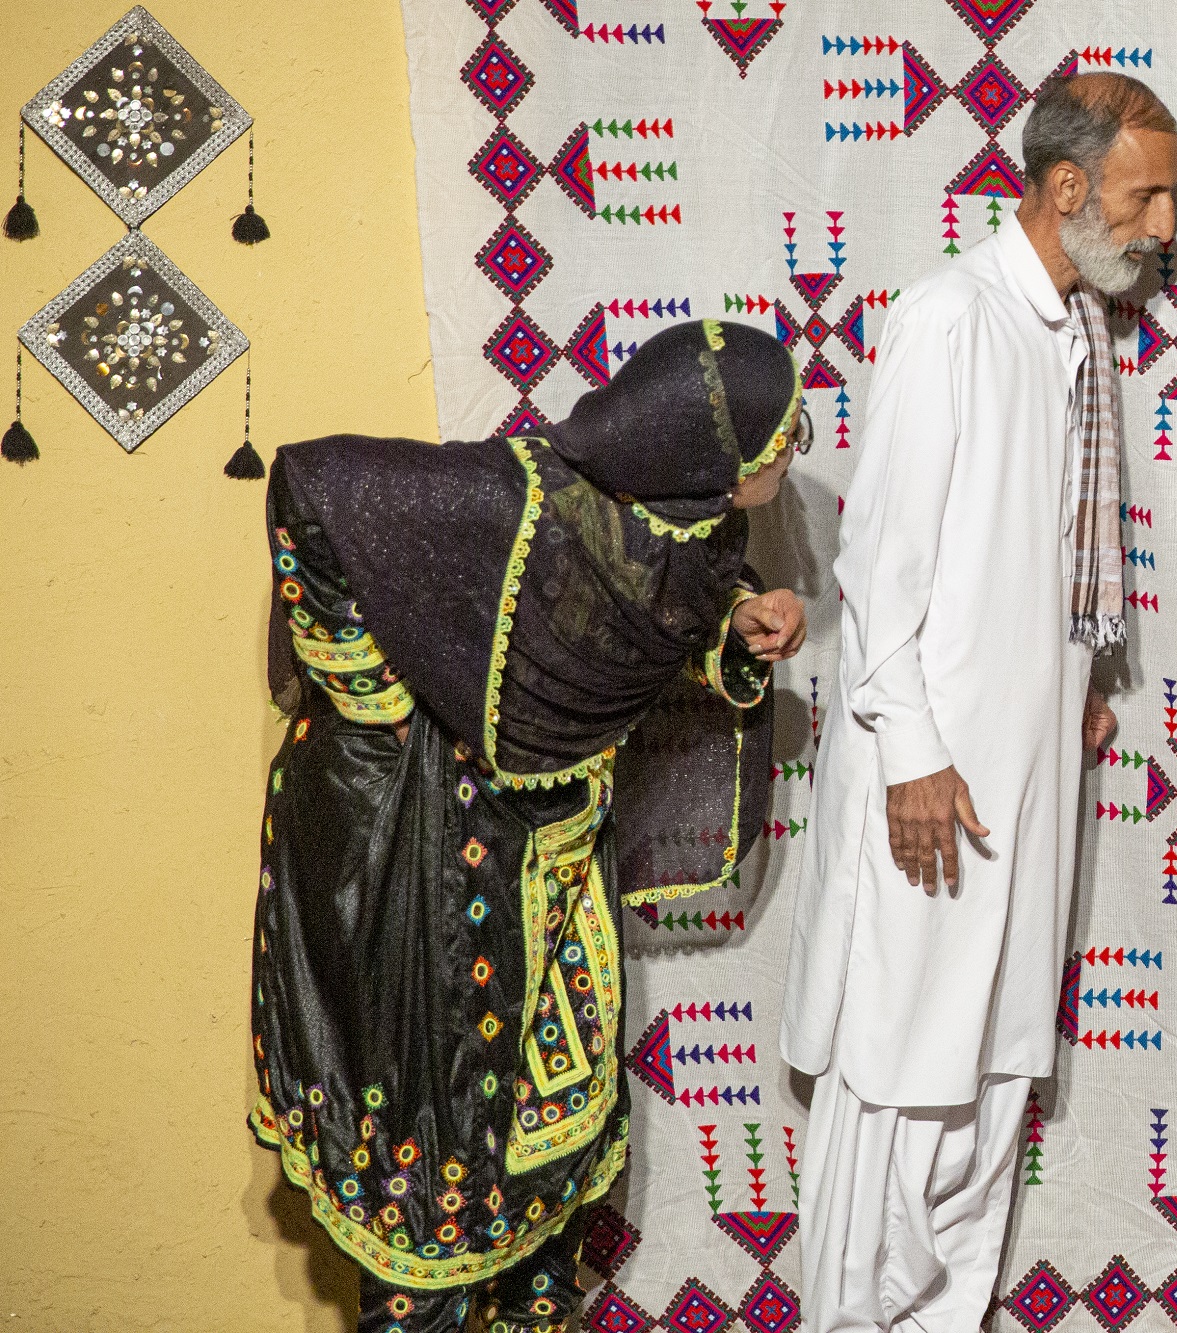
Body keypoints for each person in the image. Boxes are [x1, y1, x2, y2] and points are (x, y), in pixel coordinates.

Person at [247, 320, 809, 1333]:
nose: (791, 453)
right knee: (438, 1175)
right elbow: (311, 485)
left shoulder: (687, 528)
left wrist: (728, 626)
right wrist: (370, 705)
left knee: (552, 1174)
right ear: (714, 453)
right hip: (437, 873)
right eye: (784, 438)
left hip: (561, 879)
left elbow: (630, 618)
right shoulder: (519, 497)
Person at [780, 72, 1177, 1333]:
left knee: (991, 1081)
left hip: (1026, 774)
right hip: (934, 773)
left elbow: (1033, 552)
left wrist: (1073, 681)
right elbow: (878, 561)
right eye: (1145, 198)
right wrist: (909, 752)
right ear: (1065, 190)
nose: (1165, 226)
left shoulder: (1073, 334)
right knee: (897, 1079)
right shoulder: (951, 318)